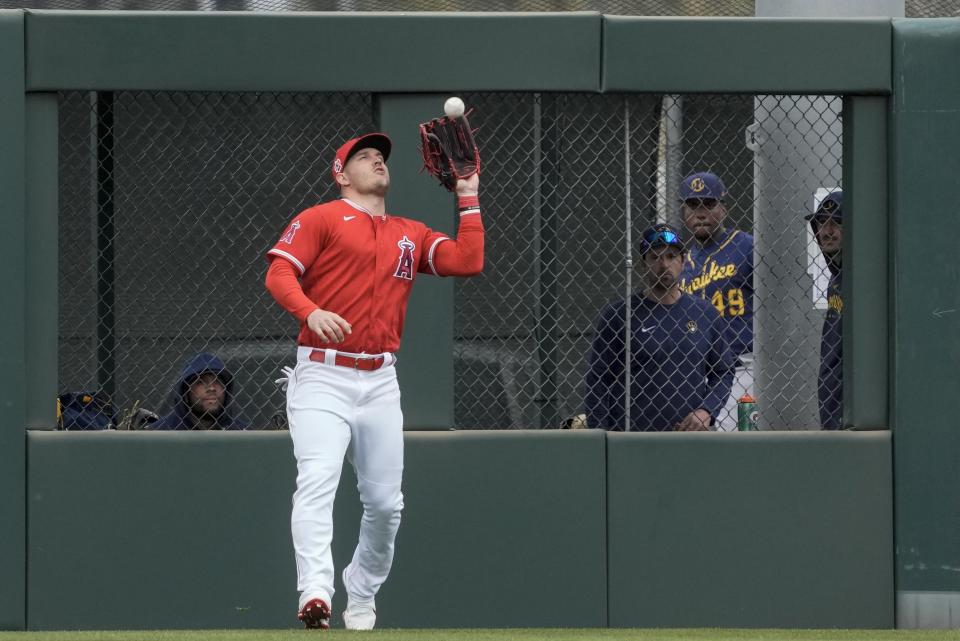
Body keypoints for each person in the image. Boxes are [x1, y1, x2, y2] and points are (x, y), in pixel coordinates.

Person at [264, 132, 483, 630]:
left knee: (386, 505)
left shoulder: (410, 231)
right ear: (341, 174)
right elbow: (279, 274)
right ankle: (316, 592)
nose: (376, 160)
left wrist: (467, 196)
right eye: (363, 156)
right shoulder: (320, 217)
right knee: (317, 481)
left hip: (380, 380)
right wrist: (310, 310)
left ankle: (360, 591)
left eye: (380, 156)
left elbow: (468, 261)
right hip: (322, 373)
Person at [584, 224, 734, 432]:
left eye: (671, 256)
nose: (664, 264)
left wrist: (706, 411)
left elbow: (723, 371)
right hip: (633, 440)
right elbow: (598, 380)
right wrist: (599, 437)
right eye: (655, 257)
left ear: (682, 262)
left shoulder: (705, 313)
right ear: (643, 264)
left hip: (690, 439)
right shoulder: (620, 316)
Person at [677, 171, 754, 431]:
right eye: (692, 205)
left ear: (723, 208)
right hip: (698, 373)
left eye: (708, 205)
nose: (700, 213)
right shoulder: (683, 264)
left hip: (743, 367)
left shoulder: (747, 247)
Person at [805, 190, 843, 429]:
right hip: (832, 397)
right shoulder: (836, 279)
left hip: (850, 402)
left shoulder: (861, 277)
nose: (827, 231)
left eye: (837, 222)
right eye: (822, 222)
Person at [150, 352, 248, 431]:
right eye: (201, 382)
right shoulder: (160, 432)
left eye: (217, 382)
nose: (212, 388)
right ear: (186, 392)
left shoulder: (242, 433)